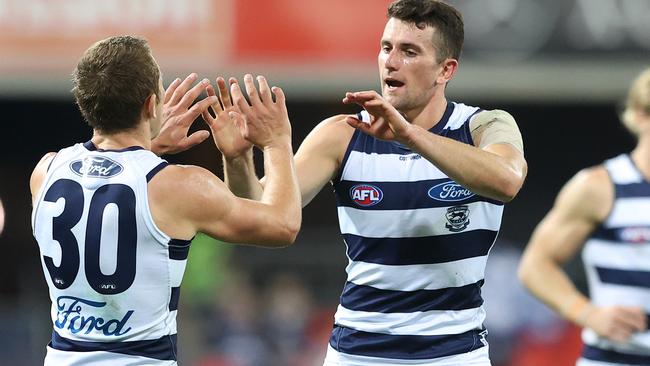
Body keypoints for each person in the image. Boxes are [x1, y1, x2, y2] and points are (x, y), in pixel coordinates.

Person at [209, 0, 528, 364]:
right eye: (386, 47)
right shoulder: (342, 135)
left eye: (409, 51)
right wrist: (237, 159)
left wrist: (408, 135)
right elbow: (260, 216)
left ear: (446, 70)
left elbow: (507, 180)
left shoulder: (482, 127)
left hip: (455, 355)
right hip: (358, 355)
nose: (391, 61)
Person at [30, 35, 301, 366]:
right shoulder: (178, 186)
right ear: (150, 105)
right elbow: (283, 225)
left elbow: (109, 185)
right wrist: (276, 141)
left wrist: (149, 146)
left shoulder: (45, 171)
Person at [518, 68, 650, 365]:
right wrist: (588, 314)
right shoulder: (601, 186)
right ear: (641, 115)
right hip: (615, 358)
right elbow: (535, 265)